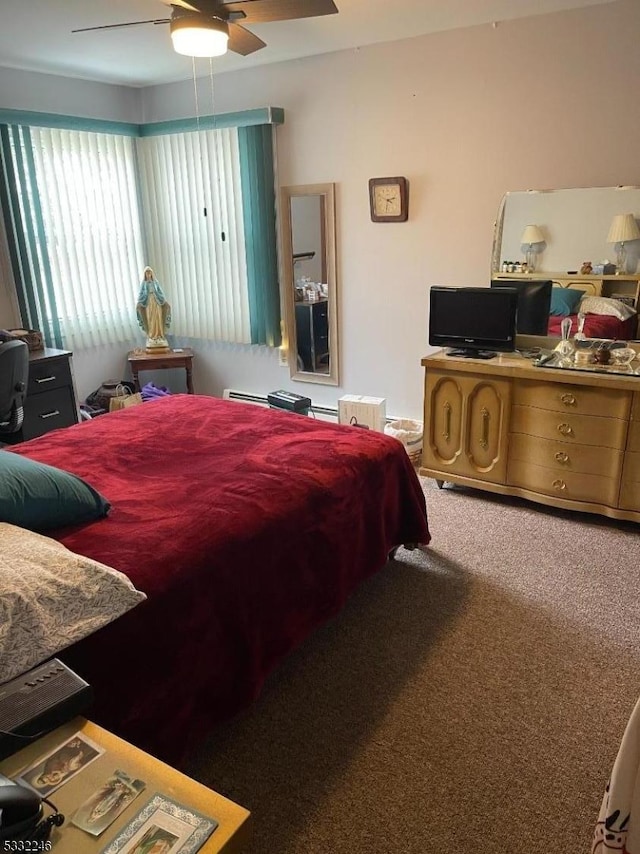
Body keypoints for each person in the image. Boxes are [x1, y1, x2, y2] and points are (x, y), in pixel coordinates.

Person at [136, 266, 171, 353]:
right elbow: (141, 294)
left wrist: (164, 301)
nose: (148, 274)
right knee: (150, 319)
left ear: (152, 274)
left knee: (158, 319)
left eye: (150, 272)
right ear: (145, 274)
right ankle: (152, 335)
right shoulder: (144, 284)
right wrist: (139, 302)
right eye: (147, 273)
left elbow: (160, 293)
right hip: (148, 304)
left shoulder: (155, 283)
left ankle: (159, 334)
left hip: (157, 303)